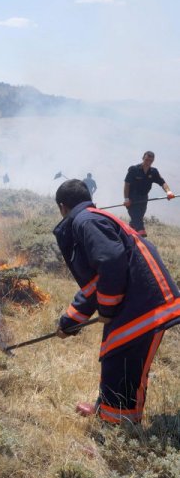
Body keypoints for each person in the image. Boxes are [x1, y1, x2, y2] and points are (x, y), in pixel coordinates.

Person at [53, 179, 180, 425]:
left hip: (145, 302)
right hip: (138, 299)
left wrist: (108, 308)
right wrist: (70, 322)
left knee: (125, 361)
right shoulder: (92, 218)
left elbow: (111, 261)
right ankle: (109, 413)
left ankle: (118, 428)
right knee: (115, 357)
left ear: (62, 207)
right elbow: (98, 280)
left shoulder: (85, 221)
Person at [123, 151, 175, 237]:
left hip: (144, 198)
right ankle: (141, 231)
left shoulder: (154, 172)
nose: (148, 162)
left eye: (150, 161)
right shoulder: (133, 169)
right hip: (132, 198)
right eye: (147, 160)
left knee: (136, 220)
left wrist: (168, 192)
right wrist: (126, 199)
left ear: (153, 161)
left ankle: (127, 235)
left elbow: (162, 183)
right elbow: (126, 184)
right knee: (137, 218)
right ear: (143, 158)